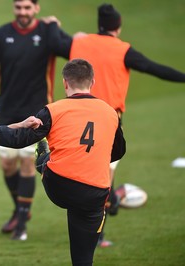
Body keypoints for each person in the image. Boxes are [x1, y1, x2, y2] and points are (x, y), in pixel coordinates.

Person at [69, 3, 185, 247]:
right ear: (118, 28)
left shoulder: (79, 43)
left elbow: (58, 44)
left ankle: (96, 220)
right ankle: (99, 231)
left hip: (77, 119)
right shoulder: (123, 50)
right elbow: (154, 68)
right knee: (103, 178)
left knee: (83, 175)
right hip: (108, 122)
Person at [0, 59, 126, 266]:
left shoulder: (52, 110)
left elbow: (18, 140)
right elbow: (118, 152)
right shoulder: (111, 112)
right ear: (92, 81)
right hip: (96, 191)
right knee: (83, 259)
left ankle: (42, 159)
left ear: (65, 83)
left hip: (60, 185)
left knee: (44, 156)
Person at [0, 0, 72, 240]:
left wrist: (56, 26)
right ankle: (20, 208)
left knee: (27, 164)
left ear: (37, 8)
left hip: (38, 114)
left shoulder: (47, 34)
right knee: (7, 165)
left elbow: (69, 49)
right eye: (18, 7)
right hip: (8, 110)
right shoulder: (1, 35)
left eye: (27, 7)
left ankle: (22, 225)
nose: (22, 12)